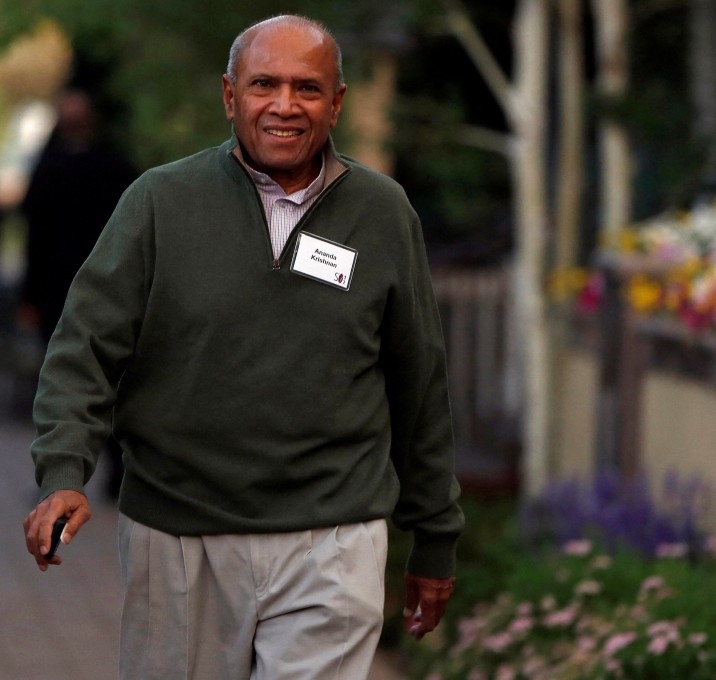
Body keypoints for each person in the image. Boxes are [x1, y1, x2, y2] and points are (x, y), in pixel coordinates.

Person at [23, 14, 464, 679]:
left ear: (336, 102)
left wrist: (434, 536)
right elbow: (83, 348)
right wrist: (63, 471)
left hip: (333, 537)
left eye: (307, 88)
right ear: (231, 96)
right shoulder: (159, 203)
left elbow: (418, 382)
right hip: (178, 536)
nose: (285, 105)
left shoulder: (382, 213)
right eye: (265, 84)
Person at [18, 88, 137, 497]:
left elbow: (33, 236)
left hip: (75, 290)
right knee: (92, 381)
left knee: (72, 381)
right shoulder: (114, 167)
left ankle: (73, 476)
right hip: (89, 290)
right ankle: (78, 475)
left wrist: (29, 295)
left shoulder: (54, 168)